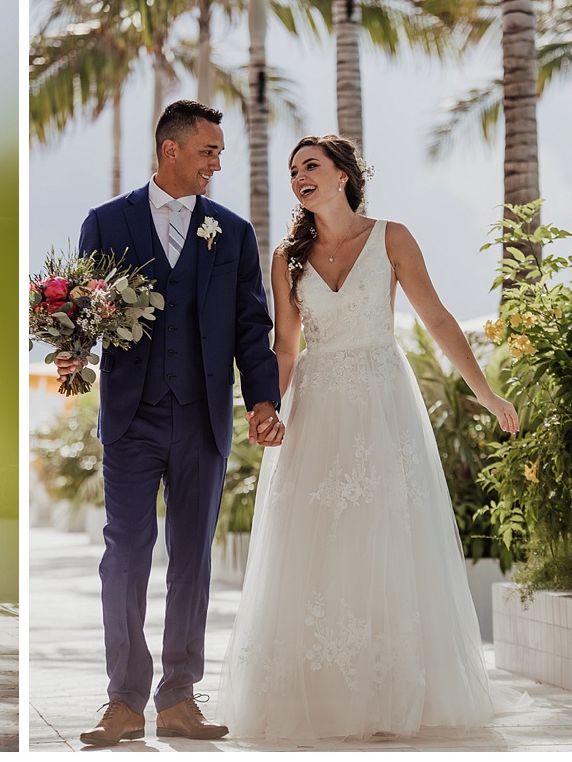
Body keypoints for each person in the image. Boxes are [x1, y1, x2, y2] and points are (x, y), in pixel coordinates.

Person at [216, 135, 527, 739]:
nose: (300, 177)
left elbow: (435, 318)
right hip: (315, 407)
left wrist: (485, 393)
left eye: (311, 166)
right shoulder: (287, 257)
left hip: (382, 402)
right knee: (318, 544)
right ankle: (324, 696)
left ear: (343, 174)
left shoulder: (392, 238)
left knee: (385, 537)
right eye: (294, 170)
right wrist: (264, 408)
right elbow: (286, 347)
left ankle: (388, 693)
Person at [59, 100, 284, 746]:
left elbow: (251, 325)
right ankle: (124, 700)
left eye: (219, 152)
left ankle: (178, 697)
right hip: (131, 419)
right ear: (171, 151)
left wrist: (262, 399)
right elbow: (82, 310)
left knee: (192, 560)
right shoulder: (105, 223)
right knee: (124, 556)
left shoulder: (232, 234)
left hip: (203, 421)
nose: (218, 161)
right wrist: (72, 344)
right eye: (209, 150)